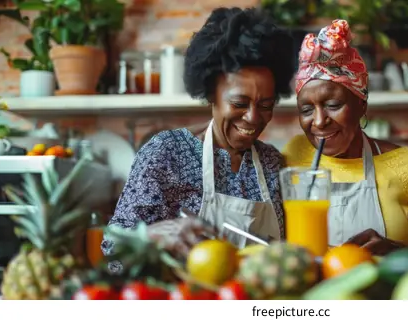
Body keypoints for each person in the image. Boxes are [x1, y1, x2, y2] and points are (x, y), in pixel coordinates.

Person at [102, 7, 296, 271]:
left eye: (265, 105)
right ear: (210, 96)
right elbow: (113, 251)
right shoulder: (167, 153)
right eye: (239, 103)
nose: (253, 117)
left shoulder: (273, 162)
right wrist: (156, 235)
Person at [283, 20, 408, 256]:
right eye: (306, 110)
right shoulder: (292, 158)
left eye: (333, 105)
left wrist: (397, 252)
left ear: (361, 105)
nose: (319, 120)